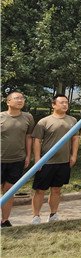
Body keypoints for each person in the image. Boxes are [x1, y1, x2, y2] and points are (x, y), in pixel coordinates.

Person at [30, 94, 78, 224]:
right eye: (61, 102)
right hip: (46, 162)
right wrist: (38, 159)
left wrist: (73, 155)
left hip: (63, 161)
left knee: (56, 189)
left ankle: (53, 214)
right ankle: (36, 216)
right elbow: (37, 141)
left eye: (66, 102)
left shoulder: (72, 120)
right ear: (53, 105)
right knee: (40, 190)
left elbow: (75, 139)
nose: (65, 105)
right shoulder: (44, 121)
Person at [1, 91, 34, 228]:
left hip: (17, 160)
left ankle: (5, 220)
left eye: (22, 98)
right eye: (16, 98)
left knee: (9, 191)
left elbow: (28, 137)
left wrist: (28, 155)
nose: (20, 100)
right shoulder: (1, 116)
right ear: (8, 102)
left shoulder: (28, 117)